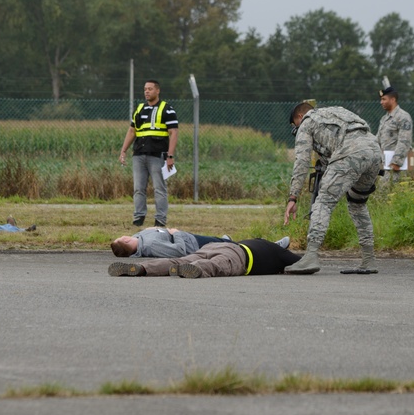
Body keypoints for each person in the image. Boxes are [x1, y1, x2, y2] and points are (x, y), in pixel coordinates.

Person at [283, 103, 382, 275]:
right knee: (357, 203)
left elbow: (301, 162)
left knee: (323, 202)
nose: (296, 129)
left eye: (295, 125)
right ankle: (368, 259)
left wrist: (293, 197)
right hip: (374, 151)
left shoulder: (306, 122)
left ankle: (311, 256)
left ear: (299, 117)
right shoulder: (336, 111)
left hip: (350, 153)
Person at [118, 79, 178, 227]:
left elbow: (173, 133)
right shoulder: (139, 109)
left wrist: (170, 155)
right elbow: (132, 131)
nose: (147, 91)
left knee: (159, 189)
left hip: (157, 155)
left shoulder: (167, 109)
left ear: (157, 91)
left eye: (150, 89)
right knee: (138, 188)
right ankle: (139, 217)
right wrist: (123, 150)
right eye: (145, 89)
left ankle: (160, 219)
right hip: (139, 154)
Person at [108, 238, 300, 278]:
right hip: (239, 255)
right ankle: (196, 269)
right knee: (217, 265)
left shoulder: (260, 241)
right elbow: (302, 263)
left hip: (216, 245)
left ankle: (143, 268)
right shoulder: (279, 251)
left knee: (180, 260)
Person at [110, 227, 290, 259]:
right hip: (192, 244)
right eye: (122, 237)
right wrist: (176, 233)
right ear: (125, 240)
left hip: (192, 238)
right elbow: (179, 251)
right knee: (235, 247)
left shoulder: (138, 239)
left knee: (225, 242)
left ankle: (224, 241)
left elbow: (141, 234)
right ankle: (273, 247)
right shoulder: (150, 246)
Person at [377, 86, 413, 183]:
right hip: (385, 165)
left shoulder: (403, 117)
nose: (381, 102)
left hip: (397, 167)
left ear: (393, 100)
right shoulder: (384, 119)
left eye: (384, 99)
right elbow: (378, 141)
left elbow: (405, 141)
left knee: (396, 194)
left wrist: (396, 162)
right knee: (383, 194)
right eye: (381, 99)